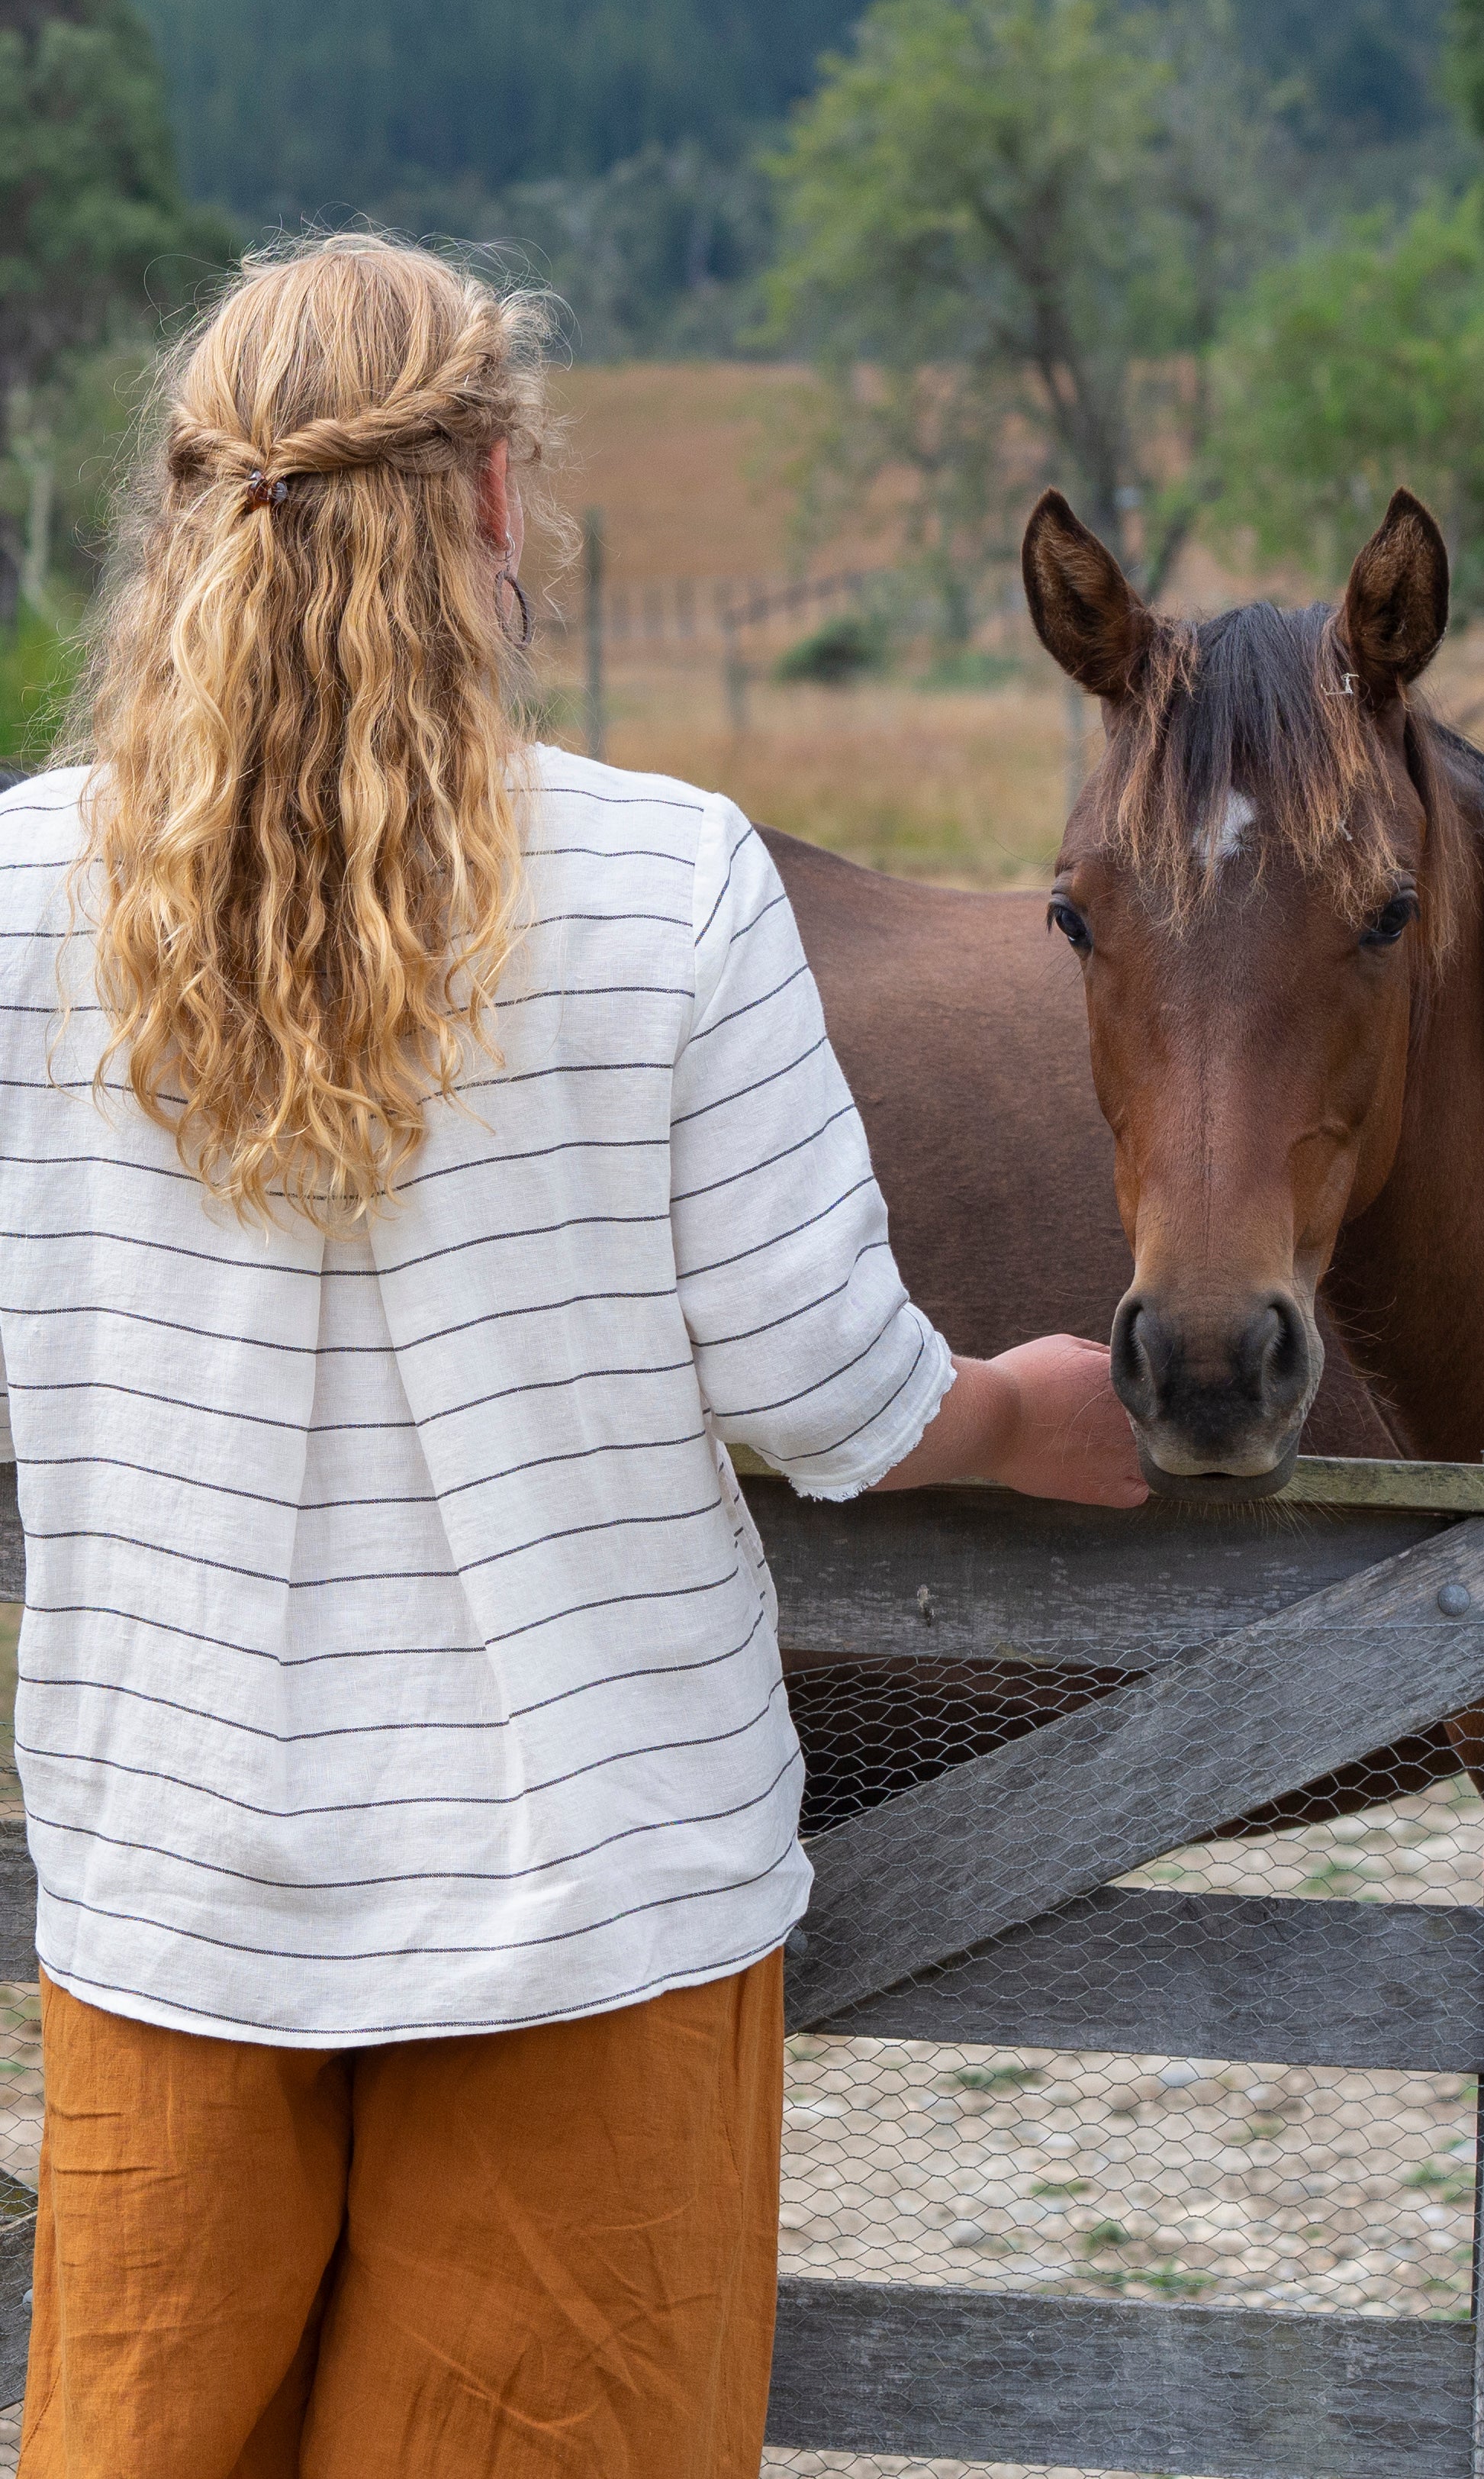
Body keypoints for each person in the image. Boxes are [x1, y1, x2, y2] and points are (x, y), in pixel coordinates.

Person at [0, 236, 1144, 2479]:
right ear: (498, 505)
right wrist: (1018, 1410)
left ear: (189, 511)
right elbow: (825, 1386)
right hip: (592, 1928)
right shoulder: (669, 883)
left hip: (171, 1919)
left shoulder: (21, 889)